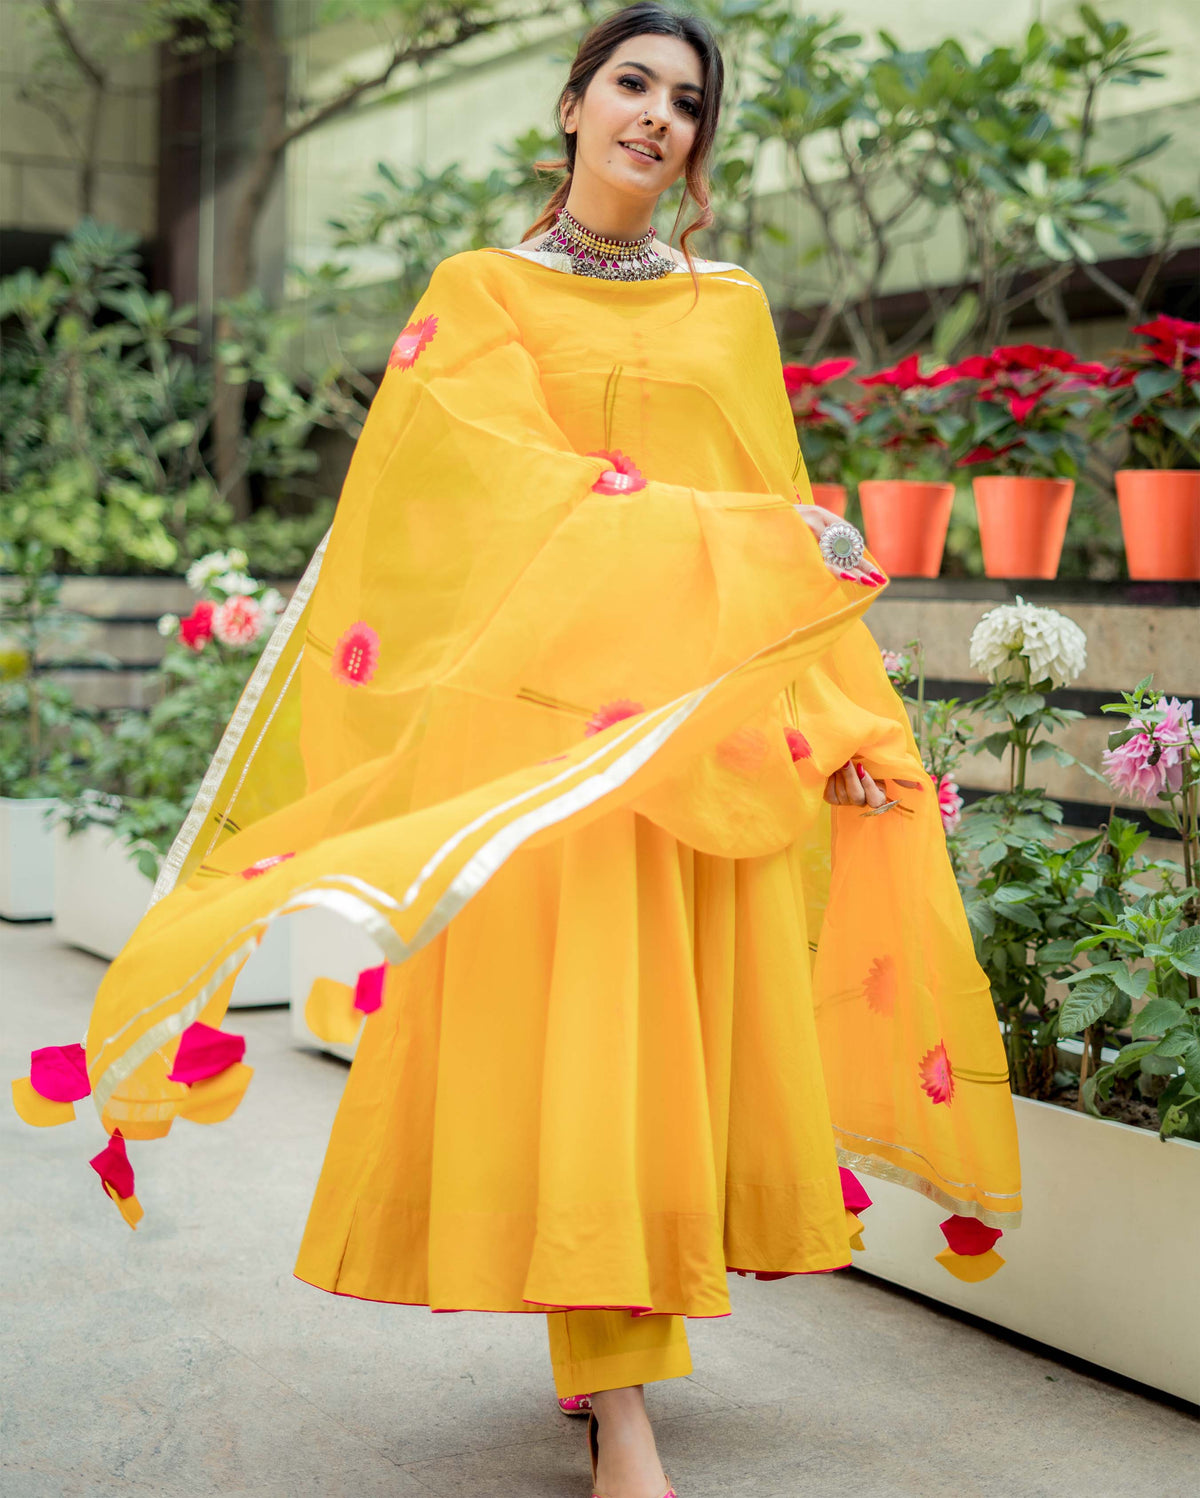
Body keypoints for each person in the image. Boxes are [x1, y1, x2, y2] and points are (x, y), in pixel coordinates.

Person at [12, 6, 1021, 1496]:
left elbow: (783, 516)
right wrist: (744, 536)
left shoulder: (729, 308)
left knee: (656, 1071)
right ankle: (621, 1406)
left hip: (690, 741)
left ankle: (612, 1370)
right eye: (631, 83)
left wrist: (843, 721)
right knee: (582, 1058)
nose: (656, 115)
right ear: (571, 103)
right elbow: (481, 500)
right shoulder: (479, 293)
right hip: (543, 748)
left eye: (687, 101)